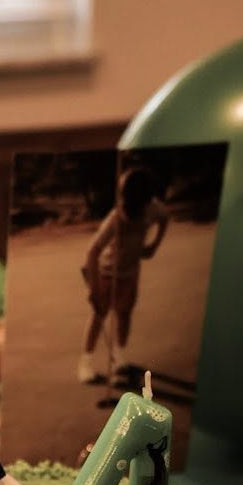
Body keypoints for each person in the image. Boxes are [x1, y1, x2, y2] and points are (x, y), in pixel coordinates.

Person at [78, 161, 168, 386]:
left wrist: (153, 245)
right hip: (108, 273)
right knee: (99, 316)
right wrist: (94, 288)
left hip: (131, 272)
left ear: (146, 199)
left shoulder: (153, 208)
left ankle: (119, 357)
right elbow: (92, 251)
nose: (127, 206)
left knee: (125, 314)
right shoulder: (116, 217)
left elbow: (165, 217)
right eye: (125, 199)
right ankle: (85, 364)